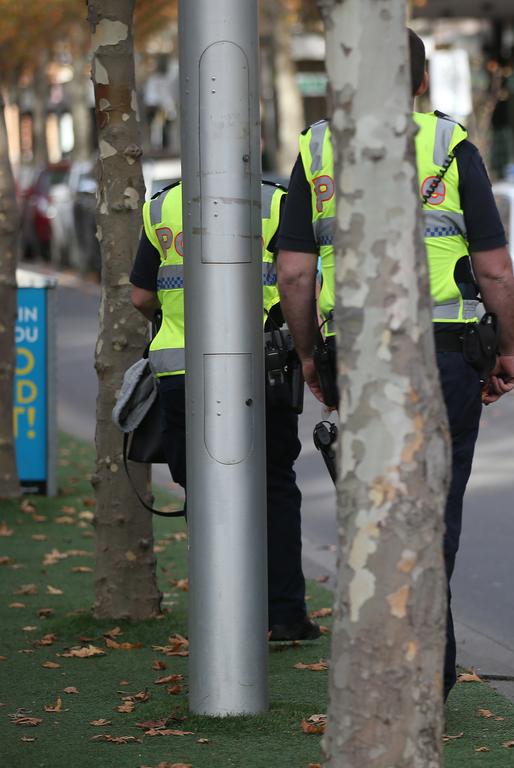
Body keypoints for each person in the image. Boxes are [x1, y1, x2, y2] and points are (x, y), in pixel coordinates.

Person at [275, 29, 514, 700]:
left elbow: (294, 273)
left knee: (374, 510)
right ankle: (428, 674)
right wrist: (506, 349)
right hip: (446, 352)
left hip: (353, 350)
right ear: (418, 81)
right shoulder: (448, 145)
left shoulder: (320, 147)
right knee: (435, 511)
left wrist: (308, 355)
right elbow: (494, 268)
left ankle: (379, 662)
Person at [129, 179, 320, 642]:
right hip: (263, 365)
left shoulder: (162, 207)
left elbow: (140, 296)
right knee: (274, 484)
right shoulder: (277, 203)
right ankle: (285, 615)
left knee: (203, 485)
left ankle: (224, 614)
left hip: (181, 369)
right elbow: (300, 283)